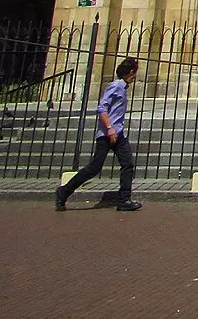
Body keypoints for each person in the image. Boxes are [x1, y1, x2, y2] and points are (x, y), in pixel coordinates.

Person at [55, 57, 142, 212]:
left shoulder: (122, 87)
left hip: (118, 133)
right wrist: (109, 128)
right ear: (130, 72)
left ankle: (124, 200)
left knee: (127, 164)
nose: (135, 76)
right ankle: (64, 191)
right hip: (108, 134)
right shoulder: (115, 86)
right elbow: (102, 108)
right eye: (134, 72)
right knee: (94, 167)